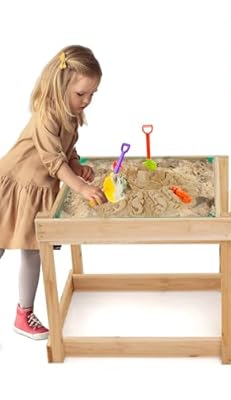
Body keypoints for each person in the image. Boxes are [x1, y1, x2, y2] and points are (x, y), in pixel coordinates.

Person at [0, 45, 107, 340]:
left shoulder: (70, 115)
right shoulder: (46, 114)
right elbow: (54, 161)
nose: (86, 101)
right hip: (14, 187)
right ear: (61, 87)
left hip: (38, 191)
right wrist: (80, 186)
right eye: (81, 93)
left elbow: (67, 152)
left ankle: (23, 314)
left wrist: (78, 166)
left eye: (92, 94)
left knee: (34, 250)